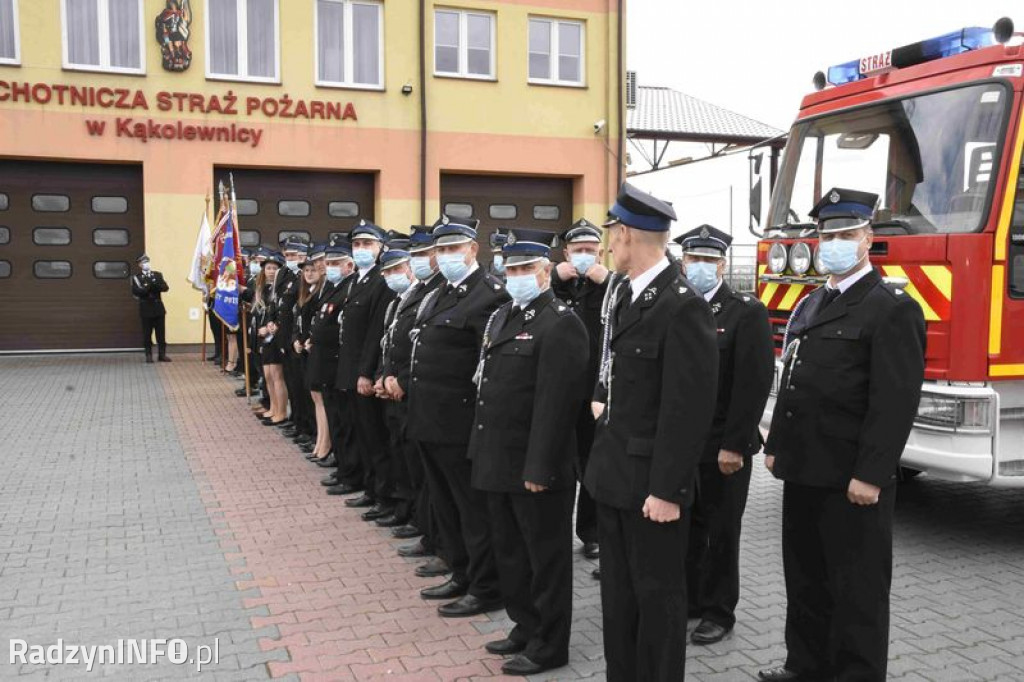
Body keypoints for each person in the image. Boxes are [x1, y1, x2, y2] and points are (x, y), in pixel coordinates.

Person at [758, 189, 926, 682]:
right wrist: (776, 448)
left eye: (846, 235)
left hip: (852, 479)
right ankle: (805, 664)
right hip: (805, 468)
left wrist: (871, 474)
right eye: (827, 235)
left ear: (867, 239)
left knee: (857, 589)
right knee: (806, 578)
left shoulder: (889, 306)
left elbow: (894, 402)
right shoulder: (814, 301)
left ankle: (856, 673)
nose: (834, 243)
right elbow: (794, 379)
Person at [584, 183, 718, 682]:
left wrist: (668, 490)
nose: (607, 247)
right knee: (619, 603)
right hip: (616, 479)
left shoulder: (681, 306)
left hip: (652, 489)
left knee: (658, 604)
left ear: (626, 235)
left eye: (611, 237)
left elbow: (688, 411)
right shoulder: (628, 295)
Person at [468, 228, 588, 676]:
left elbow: (556, 406)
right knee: (512, 553)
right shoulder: (503, 316)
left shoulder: (560, 322)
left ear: (544, 271)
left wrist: (540, 466)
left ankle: (550, 644)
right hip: (498, 458)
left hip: (537, 466)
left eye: (524, 268)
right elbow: (489, 389)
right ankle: (525, 626)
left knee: (546, 559)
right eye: (510, 268)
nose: (515, 275)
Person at [674, 225, 774, 645]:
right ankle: (694, 600)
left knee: (721, 530)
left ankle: (719, 611)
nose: (700, 267)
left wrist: (734, 444)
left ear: (722, 265)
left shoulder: (744, 312)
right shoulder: (676, 308)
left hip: (723, 447)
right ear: (682, 263)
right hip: (685, 445)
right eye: (693, 260)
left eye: (708, 261)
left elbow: (753, 384)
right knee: (690, 529)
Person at [406, 216, 509, 618]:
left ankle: (485, 586)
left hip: (460, 423)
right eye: (441, 249)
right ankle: (459, 569)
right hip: (429, 419)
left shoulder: (489, 295)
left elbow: (488, 367)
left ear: (472, 250)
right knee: (446, 505)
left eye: (454, 248)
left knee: (472, 510)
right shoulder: (438, 294)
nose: (446, 255)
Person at [384, 225, 447, 562]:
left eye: (424, 254)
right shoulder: (424, 290)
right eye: (417, 255)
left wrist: (403, 379)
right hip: (408, 391)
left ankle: (437, 539)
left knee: (433, 479)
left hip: (426, 396)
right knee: (419, 469)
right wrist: (388, 375)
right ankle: (428, 532)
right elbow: (398, 340)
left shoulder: (439, 290)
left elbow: (426, 349)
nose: (420, 260)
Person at [551, 218, 609, 561]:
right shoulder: (555, 286)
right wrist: (556, 280)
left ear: (601, 253)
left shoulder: (611, 288)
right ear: (566, 253)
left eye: (591, 250)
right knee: (557, 462)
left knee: (591, 465)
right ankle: (555, 531)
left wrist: (610, 282)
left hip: (593, 395)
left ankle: (591, 533)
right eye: (578, 250)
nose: (584, 256)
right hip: (559, 393)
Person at [335, 221, 396, 522]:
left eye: (367, 244)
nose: (360, 250)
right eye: (357, 245)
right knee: (363, 435)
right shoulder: (357, 280)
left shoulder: (381, 281)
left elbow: (375, 333)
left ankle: (385, 497)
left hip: (365, 374)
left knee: (375, 438)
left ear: (381, 248)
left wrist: (365, 373)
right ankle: (371, 489)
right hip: (350, 370)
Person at [131, 254, 171, 364]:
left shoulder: (157, 275)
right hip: (146, 308)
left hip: (158, 307)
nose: (146, 264)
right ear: (139, 264)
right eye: (143, 262)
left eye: (147, 261)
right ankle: (148, 355)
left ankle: (162, 354)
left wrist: (152, 285)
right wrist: (149, 286)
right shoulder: (137, 278)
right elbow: (137, 292)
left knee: (161, 333)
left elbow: (165, 287)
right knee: (147, 333)